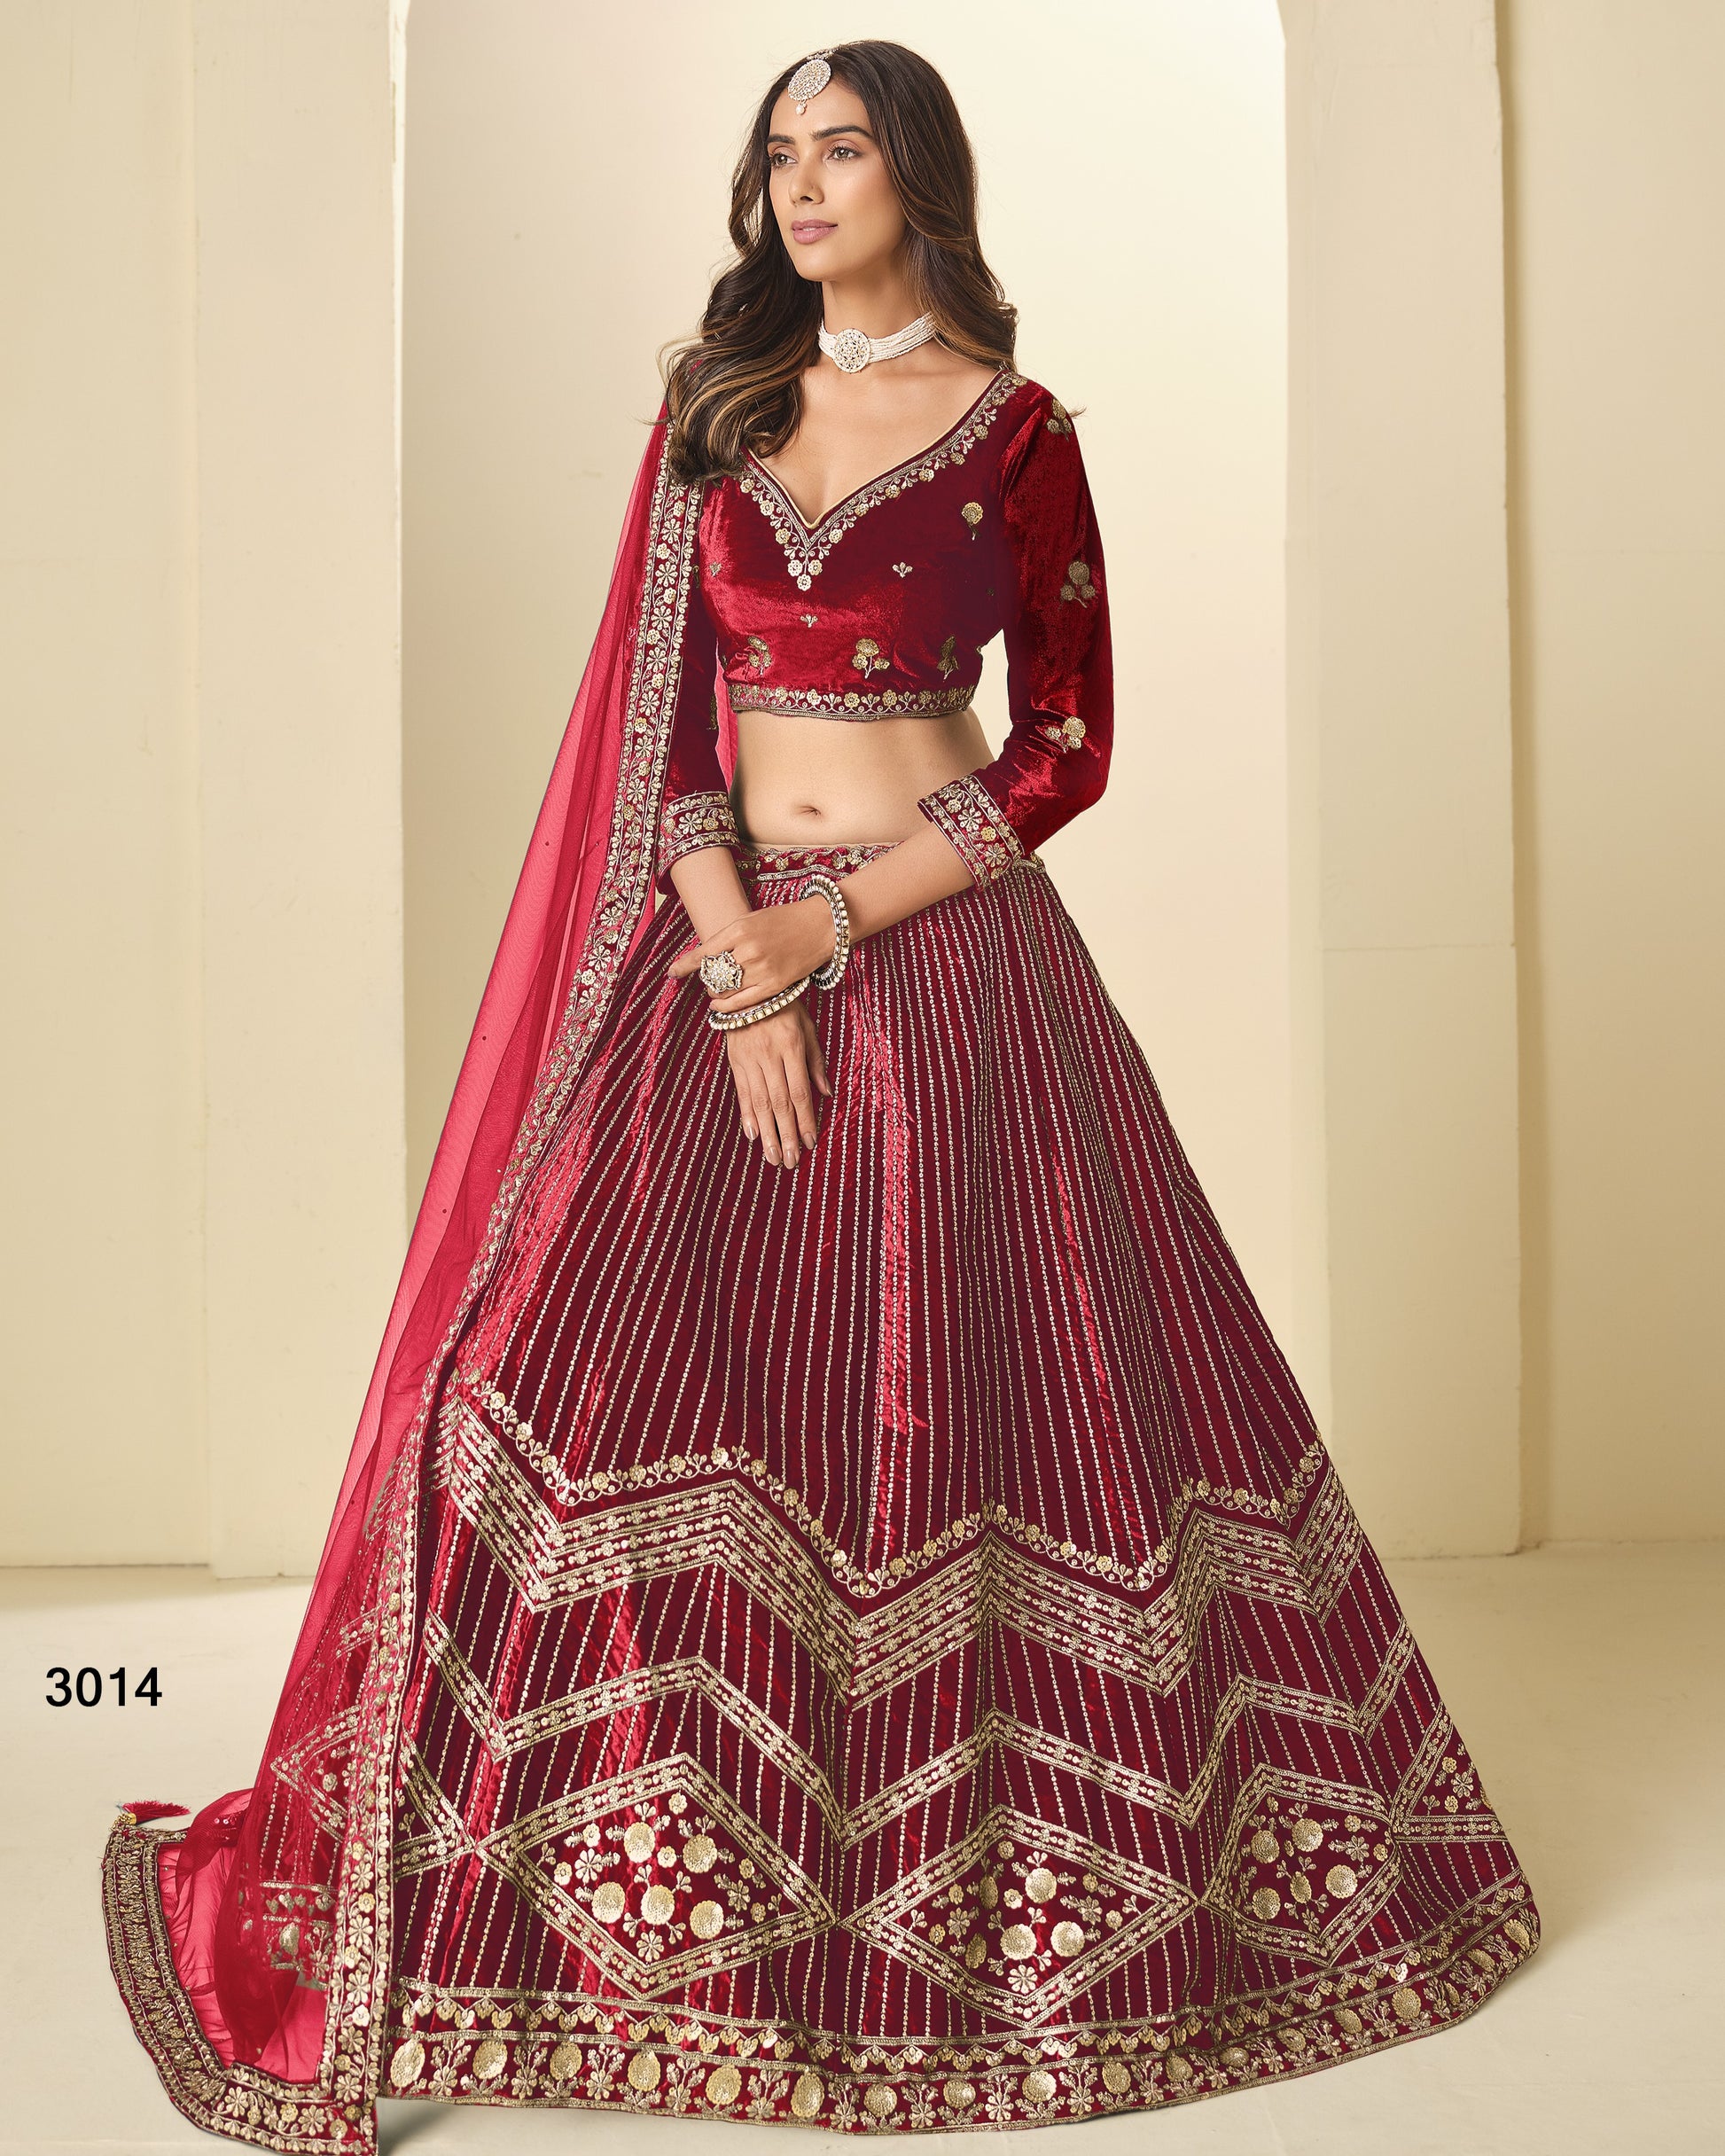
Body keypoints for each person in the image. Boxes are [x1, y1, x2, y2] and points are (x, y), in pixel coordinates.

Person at [102, 42, 1538, 2149]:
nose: (799, 184)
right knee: (525, 1370)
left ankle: (946, 1923)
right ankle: (543, 1899)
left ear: (916, 175)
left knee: (975, 1408)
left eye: (839, 148)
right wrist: (736, 961)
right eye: (777, 152)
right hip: (720, 953)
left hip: (951, 970)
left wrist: (834, 926)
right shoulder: (716, 410)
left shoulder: (1015, 434)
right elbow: (672, 728)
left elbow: (1064, 746)